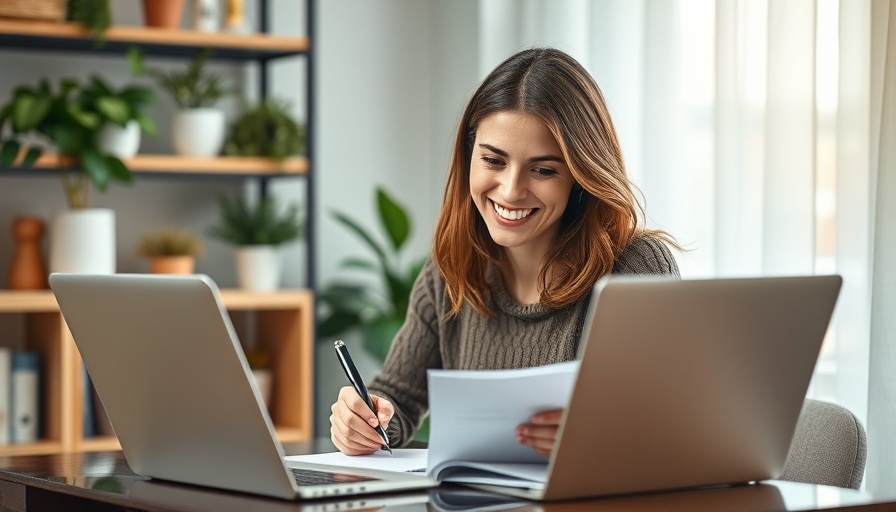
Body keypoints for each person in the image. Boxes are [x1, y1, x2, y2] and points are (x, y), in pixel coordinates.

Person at [329, 47, 680, 457]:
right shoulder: (451, 271)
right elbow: (396, 401)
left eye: (544, 169)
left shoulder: (633, 268)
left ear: (581, 176)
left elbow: (681, 426)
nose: (511, 190)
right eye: (493, 160)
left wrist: (598, 435)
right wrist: (363, 420)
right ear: (469, 157)